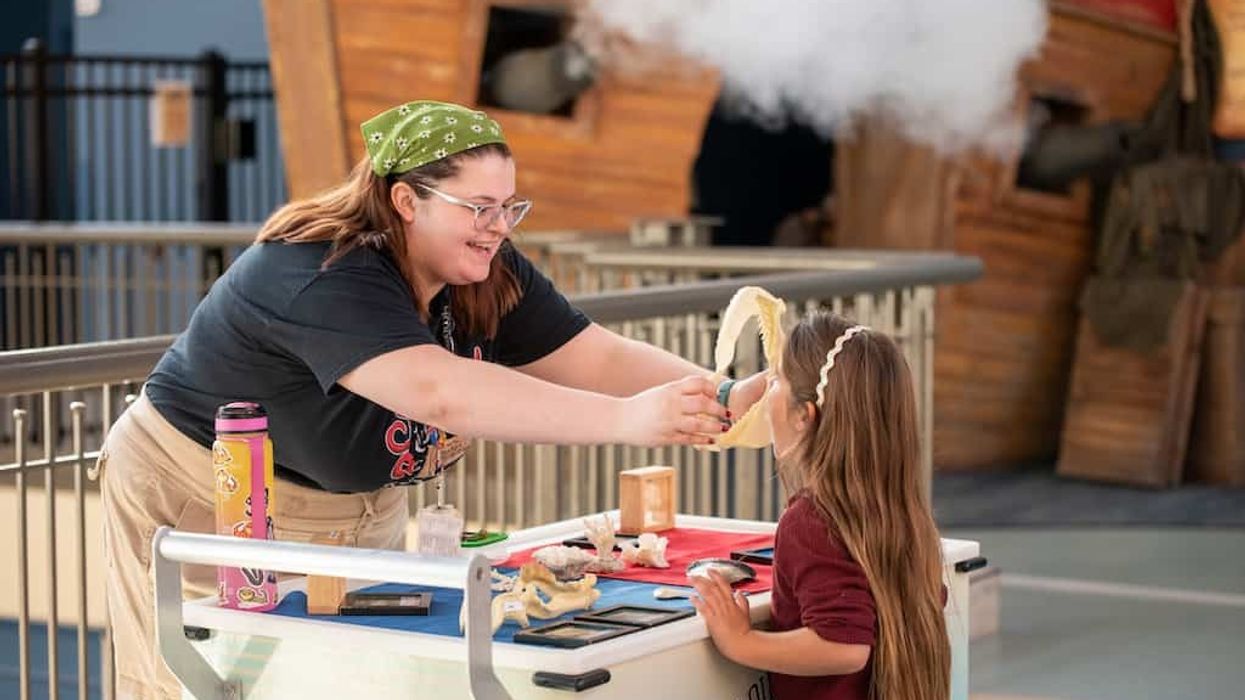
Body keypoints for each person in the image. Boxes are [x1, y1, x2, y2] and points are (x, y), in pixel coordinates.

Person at [99, 99, 767, 699]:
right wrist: (629, 419)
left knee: (362, 682)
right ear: (406, 202)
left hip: (355, 509)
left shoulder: (485, 269)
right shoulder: (318, 268)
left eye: (509, 206)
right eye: (478, 207)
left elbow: (593, 356)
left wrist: (727, 394)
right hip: (205, 500)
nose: (499, 226)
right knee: (209, 682)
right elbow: (437, 392)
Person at [691, 312, 950, 700]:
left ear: (803, 416)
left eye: (776, 379)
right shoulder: (901, 509)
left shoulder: (810, 521)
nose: (764, 391)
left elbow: (844, 647)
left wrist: (741, 642)